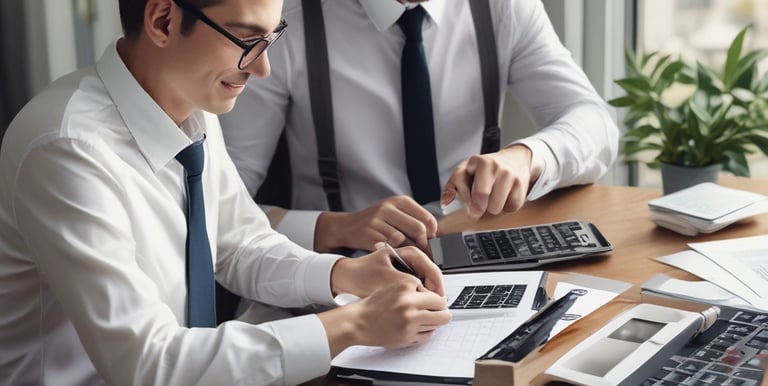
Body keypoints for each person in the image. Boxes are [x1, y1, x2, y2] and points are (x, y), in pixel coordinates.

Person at [0, 0, 452, 384]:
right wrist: (354, 323)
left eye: (272, 38)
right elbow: (147, 365)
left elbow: (237, 245)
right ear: (163, 21)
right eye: (245, 39)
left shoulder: (190, 103)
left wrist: (345, 275)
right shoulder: (66, 150)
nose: (263, 66)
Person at [220, 0, 619, 254]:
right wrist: (337, 227)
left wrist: (529, 156)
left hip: (481, 256)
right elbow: (221, 207)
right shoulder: (282, 21)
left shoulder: (503, 7)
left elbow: (596, 124)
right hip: (340, 274)